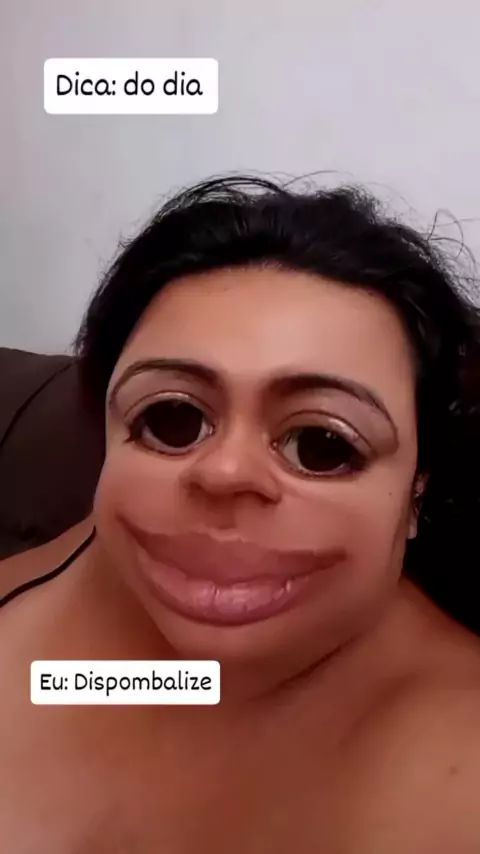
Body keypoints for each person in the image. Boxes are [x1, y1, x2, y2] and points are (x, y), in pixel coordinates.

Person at [1, 175, 480, 852]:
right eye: (171, 420)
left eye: (322, 445)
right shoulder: (110, 555)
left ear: (416, 492)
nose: (223, 473)